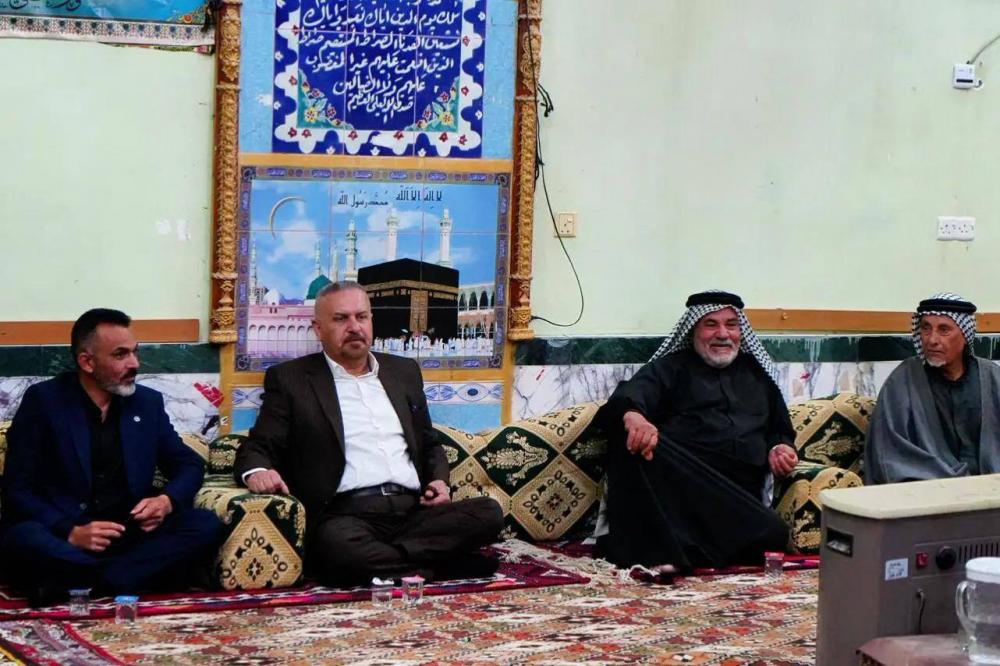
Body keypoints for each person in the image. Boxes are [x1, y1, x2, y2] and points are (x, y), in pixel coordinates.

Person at [234, 282, 503, 586]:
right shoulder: (292, 379)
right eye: (341, 319)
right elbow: (257, 447)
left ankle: (394, 567)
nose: (354, 327)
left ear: (371, 321)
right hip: (345, 516)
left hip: (413, 511)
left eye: (361, 317)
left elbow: (429, 442)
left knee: (488, 513)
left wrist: (439, 481)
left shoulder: (403, 372)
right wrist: (258, 471)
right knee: (338, 548)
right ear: (318, 329)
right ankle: (438, 567)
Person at [0, 309, 222, 605]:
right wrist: (71, 531)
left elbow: (188, 464)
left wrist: (166, 501)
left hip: (128, 534)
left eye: (135, 352)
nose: (135, 363)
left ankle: (83, 583)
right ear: (87, 362)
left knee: (204, 524)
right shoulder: (44, 401)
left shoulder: (146, 403)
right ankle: (123, 578)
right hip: (65, 536)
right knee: (23, 538)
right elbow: (17, 489)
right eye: (121, 355)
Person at [595, 290, 798, 574]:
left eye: (731, 325)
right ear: (693, 329)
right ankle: (664, 552)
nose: (723, 334)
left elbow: (780, 429)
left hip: (735, 495)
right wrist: (635, 417)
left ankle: (681, 550)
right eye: (711, 324)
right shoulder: (670, 369)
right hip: (682, 488)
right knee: (636, 440)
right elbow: (626, 398)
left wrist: (780, 447)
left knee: (773, 533)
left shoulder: (758, 376)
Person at [865, 292, 1000, 484]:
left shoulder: (993, 377)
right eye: (926, 328)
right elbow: (888, 453)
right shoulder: (902, 381)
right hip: (928, 489)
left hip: (990, 489)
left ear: (965, 335)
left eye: (944, 330)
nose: (932, 340)